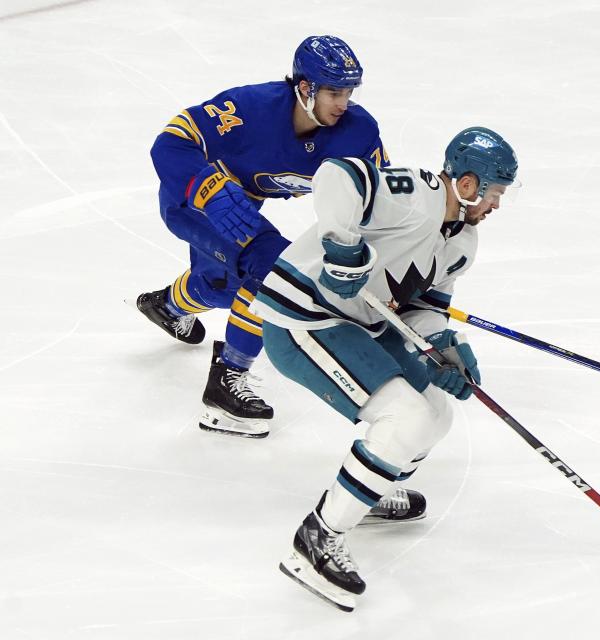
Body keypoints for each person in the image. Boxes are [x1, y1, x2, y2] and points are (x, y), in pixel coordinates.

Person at [250, 126, 519, 611]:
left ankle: (369, 492)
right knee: (405, 419)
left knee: (436, 413)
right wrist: (341, 247)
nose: (497, 203)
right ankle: (317, 538)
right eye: (495, 191)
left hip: (358, 324)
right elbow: (337, 177)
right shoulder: (417, 194)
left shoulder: (463, 243)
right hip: (302, 319)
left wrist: (442, 346)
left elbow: (423, 307)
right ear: (468, 182)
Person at [135, 35, 389, 439]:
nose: (343, 104)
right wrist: (206, 186)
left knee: (223, 287)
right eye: (334, 92)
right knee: (273, 273)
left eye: (349, 92)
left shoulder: (357, 132)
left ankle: (169, 305)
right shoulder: (249, 109)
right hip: (196, 202)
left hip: (246, 206)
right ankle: (226, 385)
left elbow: (376, 200)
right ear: (305, 88)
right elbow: (169, 143)